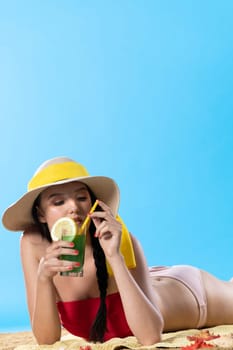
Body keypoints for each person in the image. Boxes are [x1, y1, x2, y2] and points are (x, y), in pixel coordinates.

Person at [2, 157, 233, 346]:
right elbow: (46, 339)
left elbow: (150, 337)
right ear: (41, 214)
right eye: (58, 202)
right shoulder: (33, 244)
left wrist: (116, 257)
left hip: (188, 295)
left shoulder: (119, 242)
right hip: (148, 279)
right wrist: (43, 279)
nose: (73, 207)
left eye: (81, 197)